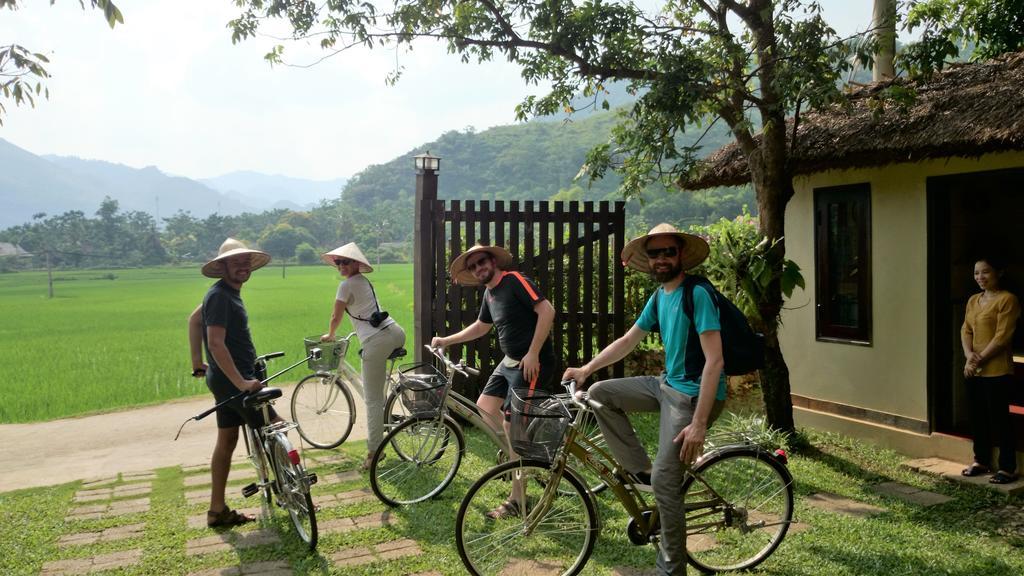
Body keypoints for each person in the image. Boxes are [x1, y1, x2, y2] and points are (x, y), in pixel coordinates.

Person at [563, 223, 726, 576]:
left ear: (681, 255)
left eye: (670, 251)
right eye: (656, 253)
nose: (663, 258)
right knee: (599, 393)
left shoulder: (696, 294)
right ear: (648, 259)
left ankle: (671, 570)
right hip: (665, 384)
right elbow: (628, 340)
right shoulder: (660, 296)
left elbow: (715, 361)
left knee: (667, 483)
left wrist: (699, 423)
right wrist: (587, 369)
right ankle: (641, 469)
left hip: (693, 396)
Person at [431, 243, 557, 519]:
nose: (479, 268)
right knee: (485, 410)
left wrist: (533, 352)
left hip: (531, 363)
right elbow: (481, 327)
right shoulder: (490, 294)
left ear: (494, 261)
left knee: (513, 428)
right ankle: (523, 454)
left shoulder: (514, 281)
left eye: (482, 262)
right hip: (509, 362)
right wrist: (446, 340)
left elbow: (547, 311)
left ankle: (518, 499)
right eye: (474, 266)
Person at [187, 238, 275, 528]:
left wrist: (197, 363)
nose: (242, 265)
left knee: (227, 440)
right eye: (235, 261)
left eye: (245, 261)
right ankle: (295, 493)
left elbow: (193, 320)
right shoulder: (221, 296)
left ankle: (216, 510)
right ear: (222, 265)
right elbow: (216, 343)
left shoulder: (223, 294)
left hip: (226, 380)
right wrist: (241, 382)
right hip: (234, 381)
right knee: (275, 428)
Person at [319, 242, 406, 471]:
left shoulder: (346, 286)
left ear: (357, 263)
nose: (341, 266)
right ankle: (387, 416)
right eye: (338, 262)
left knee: (373, 400)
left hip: (377, 341)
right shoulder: (364, 281)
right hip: (395, 332)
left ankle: (374, 452)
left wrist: (330, 334)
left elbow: (335, 315)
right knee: (378, 392)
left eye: (346, 262)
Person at [960, 256, 1019, 484]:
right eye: (976, 273)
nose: (980, 277)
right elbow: (966, 329)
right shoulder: (973, 300)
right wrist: (968, 357)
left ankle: (1008, 467)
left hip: (997, 369)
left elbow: (1002, 336)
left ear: (999, 273)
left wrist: (979, 359)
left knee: (1000, 419)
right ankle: (980, 460)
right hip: (974, 369)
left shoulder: (1007, 300)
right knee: (977, 416)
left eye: (985, 272)